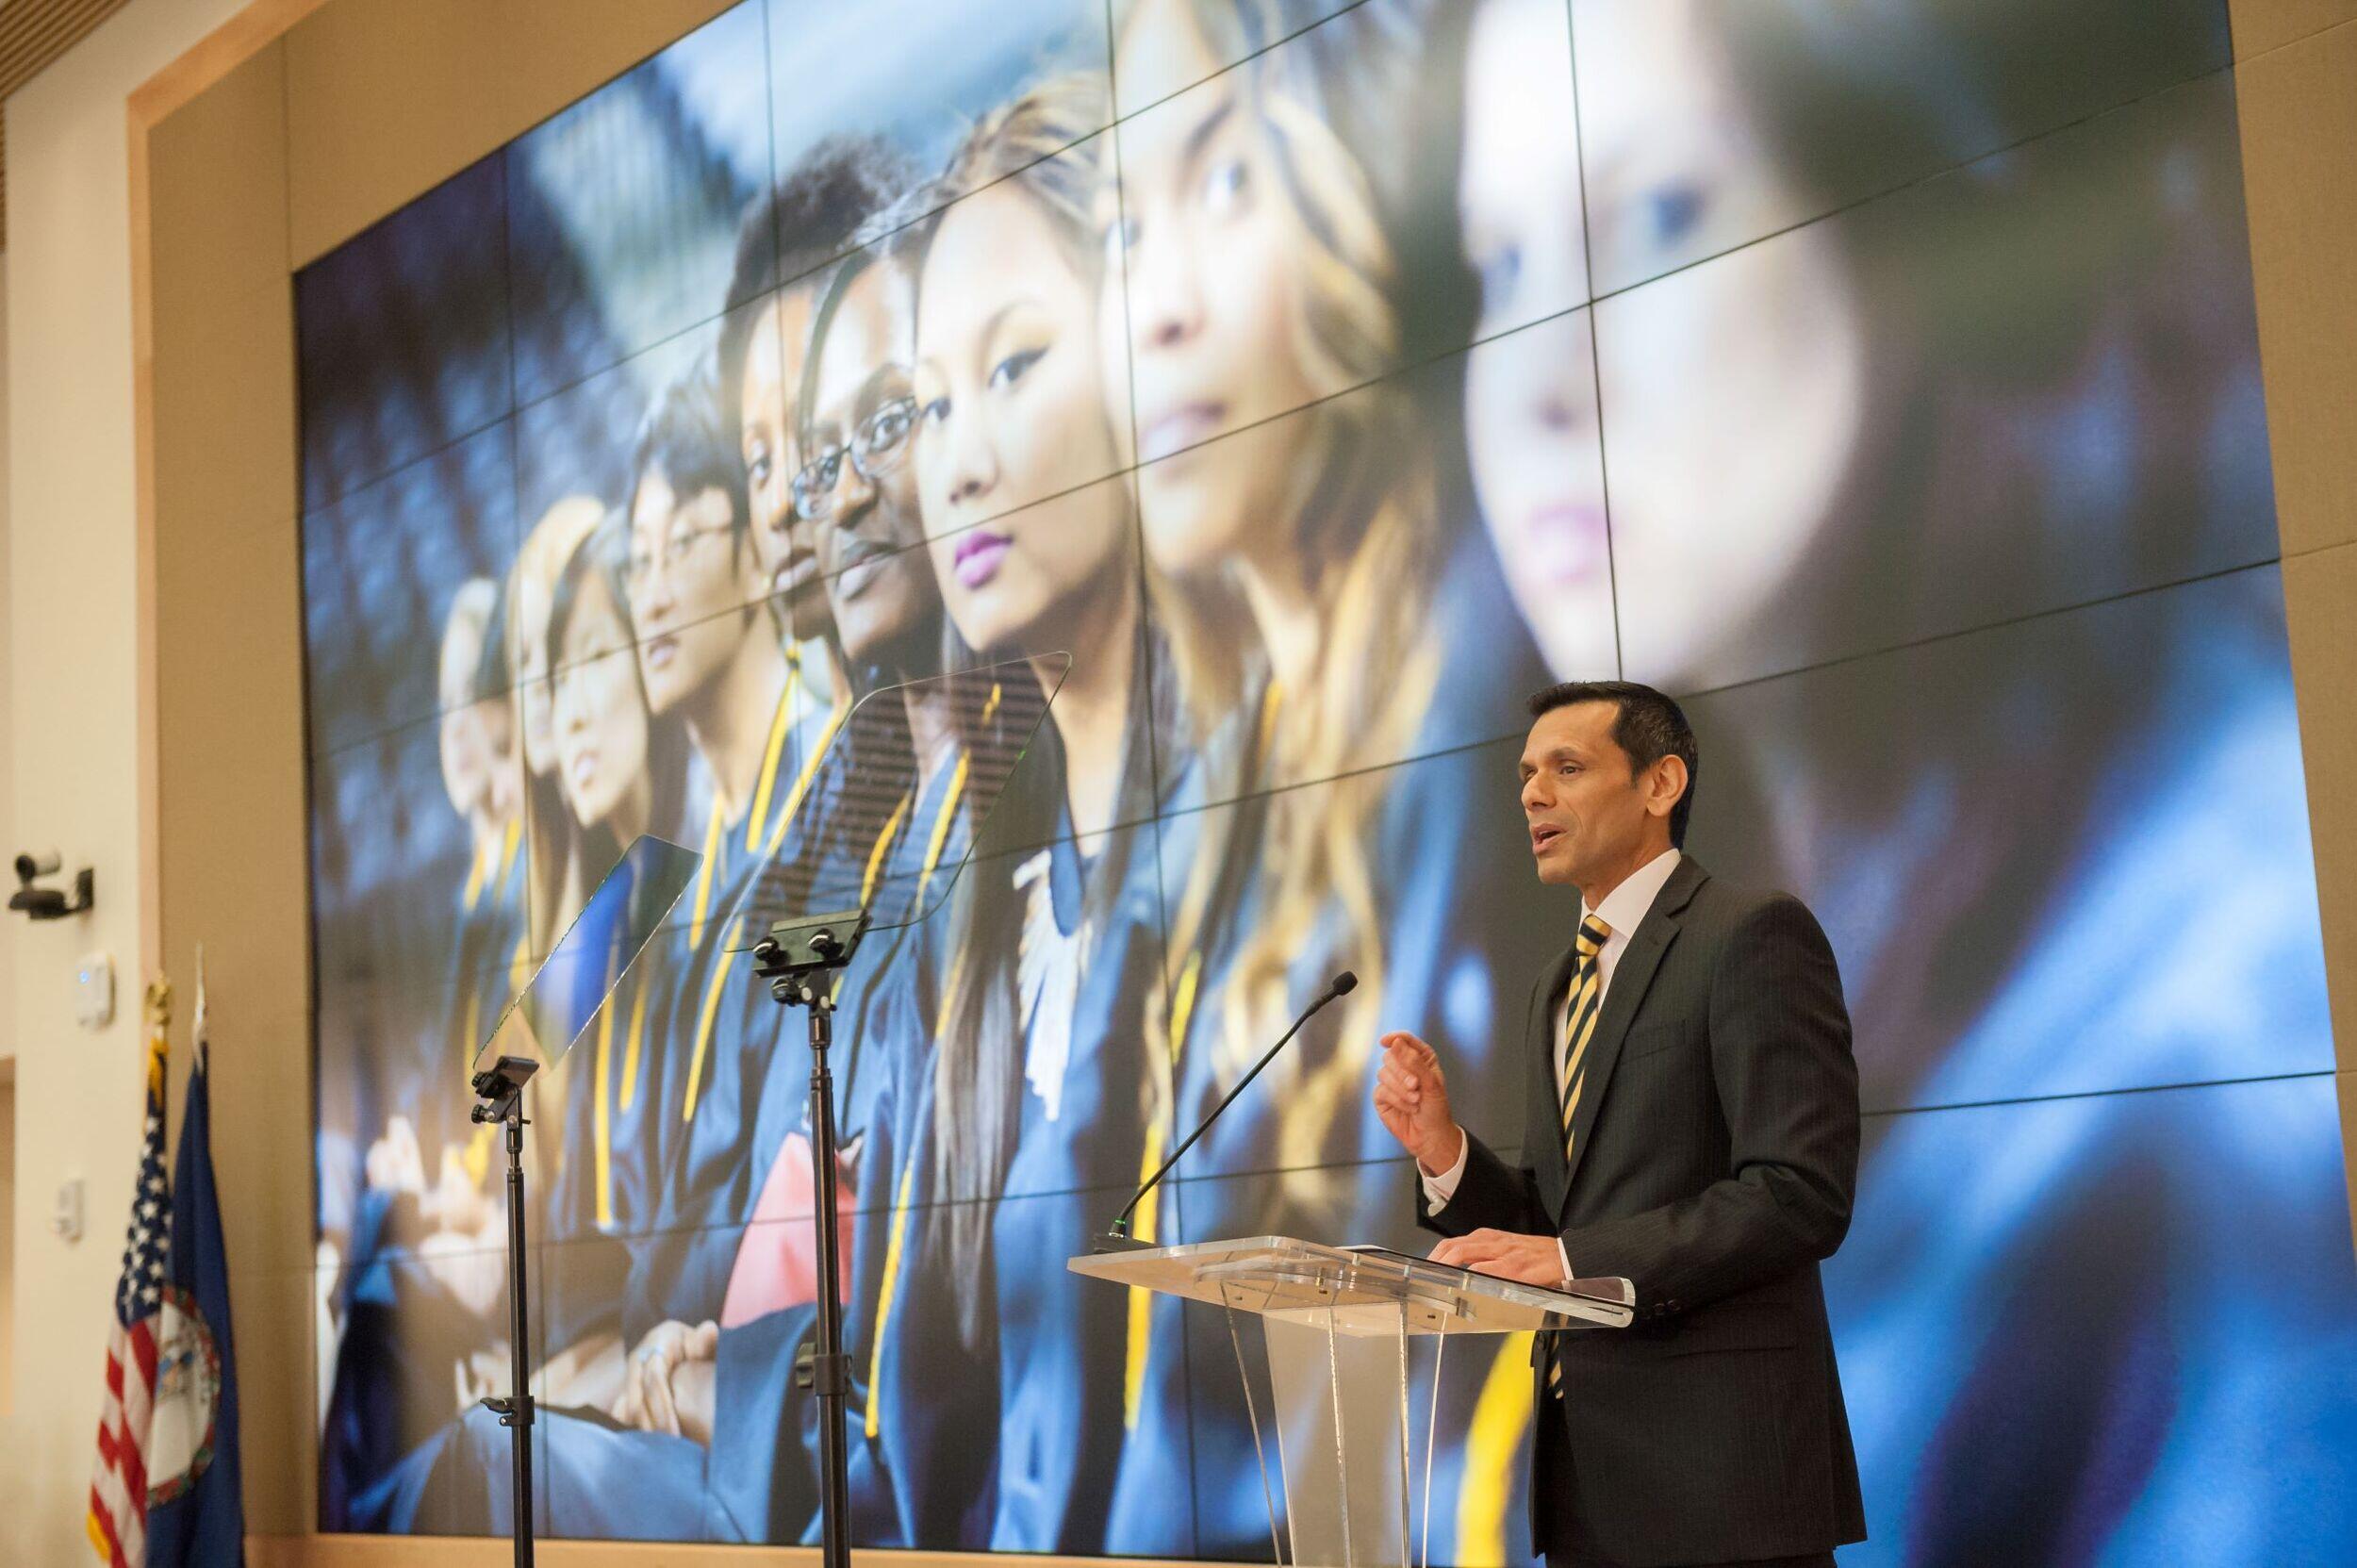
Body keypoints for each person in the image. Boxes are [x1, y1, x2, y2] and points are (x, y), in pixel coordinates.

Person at [1374, 680, 1864, 1568]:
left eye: (1567, 767)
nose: (1533, 793)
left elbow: (1799, 1194)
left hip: (1724, 1483)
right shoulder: (1556, 985)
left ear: (1660, 783)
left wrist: (1572, 1260)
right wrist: (1442, 1151)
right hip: (1585, 1483)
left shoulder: (1751, 934)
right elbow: (1557, 1225)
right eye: (1527, 774)